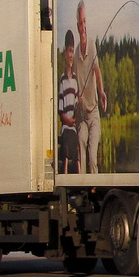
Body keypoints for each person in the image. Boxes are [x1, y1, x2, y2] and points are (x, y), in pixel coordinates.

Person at [74, 0, 107, 174]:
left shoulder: (92, 45)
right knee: (81, 142)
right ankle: (82, 185)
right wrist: (76, 97)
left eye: (85, 21)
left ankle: (94, 186)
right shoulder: (76, 53)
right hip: (82, 114)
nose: (83, 26)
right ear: (77, 26)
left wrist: (101, 91)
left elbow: (97, 69)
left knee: (92, 157)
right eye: (81, 23)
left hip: (93, 114)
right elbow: (73, 83)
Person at [57, 30, 80, 174]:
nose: (71, 55)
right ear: (65, 53)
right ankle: (64, 175)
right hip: (66, 127)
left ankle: (79, 175)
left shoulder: (76, 78)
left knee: (77, 152)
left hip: (74, 126)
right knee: (65, 148)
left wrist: (75, 120)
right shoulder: (63, 79)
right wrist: (67, 121)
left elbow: (77, 104)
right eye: (69, 51)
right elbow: (60, 110)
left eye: (73, 51)